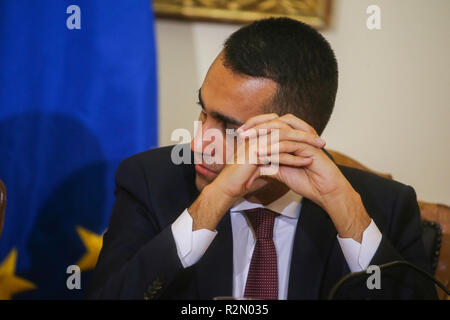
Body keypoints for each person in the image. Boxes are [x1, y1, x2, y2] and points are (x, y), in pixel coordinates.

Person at [88, 18, 437, 300]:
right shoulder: (150, 182)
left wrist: (344, 209)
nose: (200, 142)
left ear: (295, 133)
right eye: (203, 112)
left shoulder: (383, 205)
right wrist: (211, 203)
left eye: (229, 127)